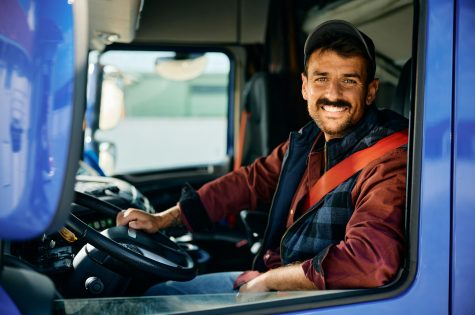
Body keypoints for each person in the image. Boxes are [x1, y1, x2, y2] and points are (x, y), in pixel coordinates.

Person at [116, 19, 408, 294]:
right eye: (321, 79)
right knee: (163, 294)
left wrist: (270, 281)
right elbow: (249, 182)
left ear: (370, 91)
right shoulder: (309, 141)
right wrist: (163, 220)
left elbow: (370, 261)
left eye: (349, 81)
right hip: (283, 282)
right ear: (305, 87)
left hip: (319, 299)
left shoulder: (389, 162)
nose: (332, 94)